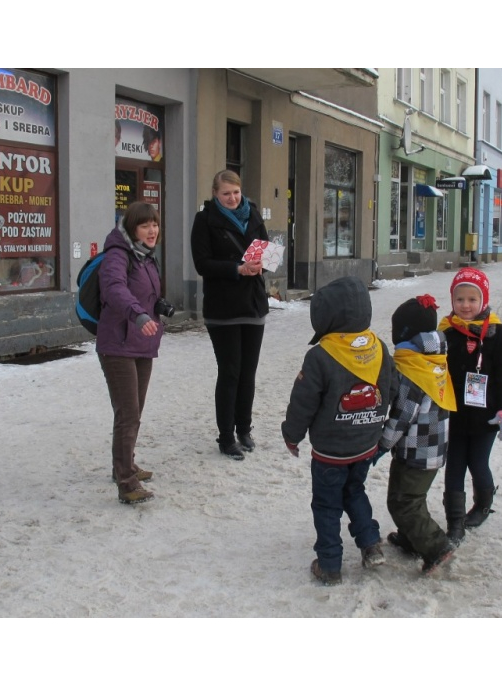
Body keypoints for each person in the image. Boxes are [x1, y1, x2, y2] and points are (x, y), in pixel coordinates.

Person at [281, 276, 397, 586]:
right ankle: (370, 544)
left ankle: (330, 562)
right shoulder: (380, 348)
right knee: (354, 490)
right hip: (365, 444)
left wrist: (292, 434)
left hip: (330, 451)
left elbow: (303, 401)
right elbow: (394, 388)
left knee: (326, 503)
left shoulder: (320, 355)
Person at [191, 170, 270, 459]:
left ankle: (244, 429)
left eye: (236, 192)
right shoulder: (205, 220)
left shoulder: (254, 215)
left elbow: (268, 253)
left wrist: (262, 264)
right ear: (216, 194)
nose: (233, 198)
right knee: (230, 372)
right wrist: (236, 268)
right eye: (226, 193)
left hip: (253, 304)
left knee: (248, 373)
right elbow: (202, 263)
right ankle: (226, 437)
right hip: (223, 308)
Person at [438, 267, 502, 545]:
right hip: (457, 413)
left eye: (472, 299)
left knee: (478, 462)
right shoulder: (446, 331)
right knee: (454, 465)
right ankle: (455, 521)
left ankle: (482, 505)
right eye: (460, 299)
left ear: (483, 300)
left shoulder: (497, 332)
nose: (466, 305)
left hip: (487, 416)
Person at [380, 295, 457, 574]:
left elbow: (402, 417)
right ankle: (411, 539)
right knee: (410, 498)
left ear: (402, 334)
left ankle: (437, 547)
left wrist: (381, 444)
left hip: (417, 450)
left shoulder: (412, 369)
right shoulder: (433, 359)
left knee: (404, 503)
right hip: (434, 446)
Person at [97, 201, 166, 504]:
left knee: (133, 413)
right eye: (145, 225)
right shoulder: (117, 255)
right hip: (119, 344)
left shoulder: (147, 257)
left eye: (155, 224)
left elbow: (145, 293)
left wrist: (158, 307)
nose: (152, 231)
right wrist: (137, 314)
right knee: (128, 414)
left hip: (141, 344)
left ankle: (126, 465)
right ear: (132, 229)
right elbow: (114, 289)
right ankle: (126, 481)